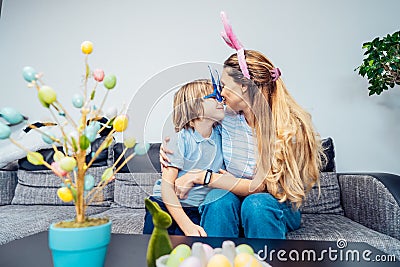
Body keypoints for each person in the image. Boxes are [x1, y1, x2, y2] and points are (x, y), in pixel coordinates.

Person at [160, 12, 323, 239]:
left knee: (256, 204)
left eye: (225, 85)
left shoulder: (288, 127)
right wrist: (170, 144)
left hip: (275, 201)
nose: (221, 93)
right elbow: (195, 121)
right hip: (233, 193)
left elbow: (262, 188)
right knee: (218, 201)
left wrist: (203, 176)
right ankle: (214, 261)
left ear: (244, 87)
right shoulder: (226, 116)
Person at [143, 78, 225, 237]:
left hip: (195, 209)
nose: (220, 99)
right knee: (156, 253)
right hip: (164, 205)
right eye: (214, 97)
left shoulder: (222, 137)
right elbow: (167, 188)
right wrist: (187, 226)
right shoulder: (179, 139)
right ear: (196, 108)